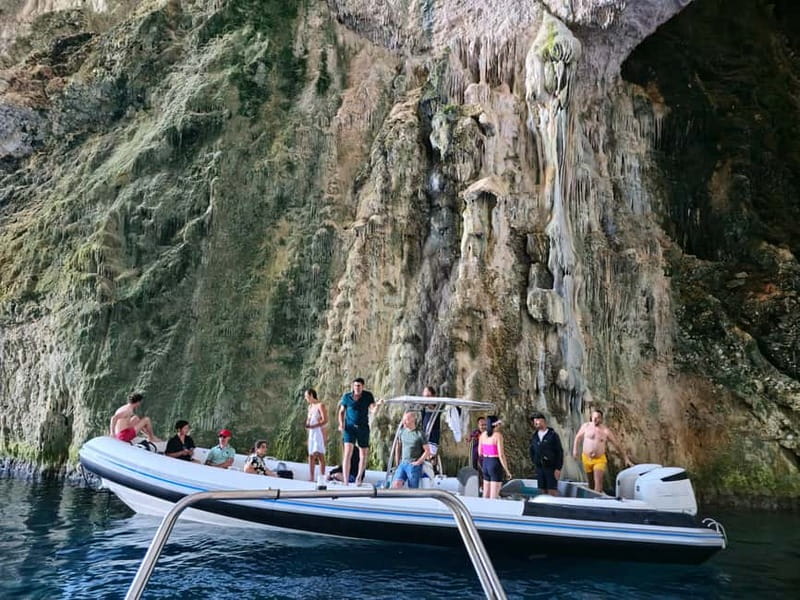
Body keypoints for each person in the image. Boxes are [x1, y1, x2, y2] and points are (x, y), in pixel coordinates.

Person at [573, 408, 633, 493]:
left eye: (597, 417)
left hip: (599, 459)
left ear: (601, 419)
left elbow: (617, 445)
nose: (595, 419)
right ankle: (591, 502)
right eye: (593, 417)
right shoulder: (586, 426)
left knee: (598, 483)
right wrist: (575, 450)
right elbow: (578, 437)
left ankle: (597, 500)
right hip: (586, 458)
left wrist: (625, 458)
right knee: (591, 483)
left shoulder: (605, 431)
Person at [337, 377, 377, 485]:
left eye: (359, 386)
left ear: (362, 386)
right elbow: (341, 412)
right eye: (355, 386)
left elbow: (373, 409)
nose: (356, 388)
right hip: (349, 427)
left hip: (363, 427)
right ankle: (345, 481)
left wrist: (378, 406)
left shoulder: (368, 396)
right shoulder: (347, 397)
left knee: (363, 453)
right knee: (347, 452)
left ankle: (359, 478)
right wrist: (341, 424)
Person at [392, 412, 431, 489]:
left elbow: (427, 451)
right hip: (403, 463)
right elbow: (398, 446)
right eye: (403, 420)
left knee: (412, 488)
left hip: (413, 465)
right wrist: (397, 462)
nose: (404, 422)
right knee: (396, 484)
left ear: (412, 420)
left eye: (406, 420)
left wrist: (418, 462)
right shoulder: (402, 432)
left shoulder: (419, 434)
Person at [529, 412, 564, 496]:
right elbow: (532, 450)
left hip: (551, 468)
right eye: (534, 422)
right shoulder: (535, 436)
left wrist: (558, 468)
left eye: (537, 421)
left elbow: (559, 452)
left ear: (543, 421)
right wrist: (535, 461)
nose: (535, 423)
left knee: (552, 490)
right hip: (539, 467)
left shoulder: (553, 435)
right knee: (541, 490)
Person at [478, 415, 511, 499]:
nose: (500, 426)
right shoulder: (497, 436)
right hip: (494, 463)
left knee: (485, 494)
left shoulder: (482, 435)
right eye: (499, 424)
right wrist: (507, 470)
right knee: (493, 496)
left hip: (485, 464)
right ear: (495, 425)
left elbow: (480, 452)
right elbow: (501, 455)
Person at [304, 388, 328, 482]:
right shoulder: (310, 407)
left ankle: (321, 477)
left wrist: (314, 425)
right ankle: (311, 477)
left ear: (311, 395)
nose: (306, 398)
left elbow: (325, 420)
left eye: (306, 396)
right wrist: (307, 424)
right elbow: (309, 418)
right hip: (311, 433)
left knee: (319, 454)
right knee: (311, 455)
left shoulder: (320, 405)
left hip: (318, 432)